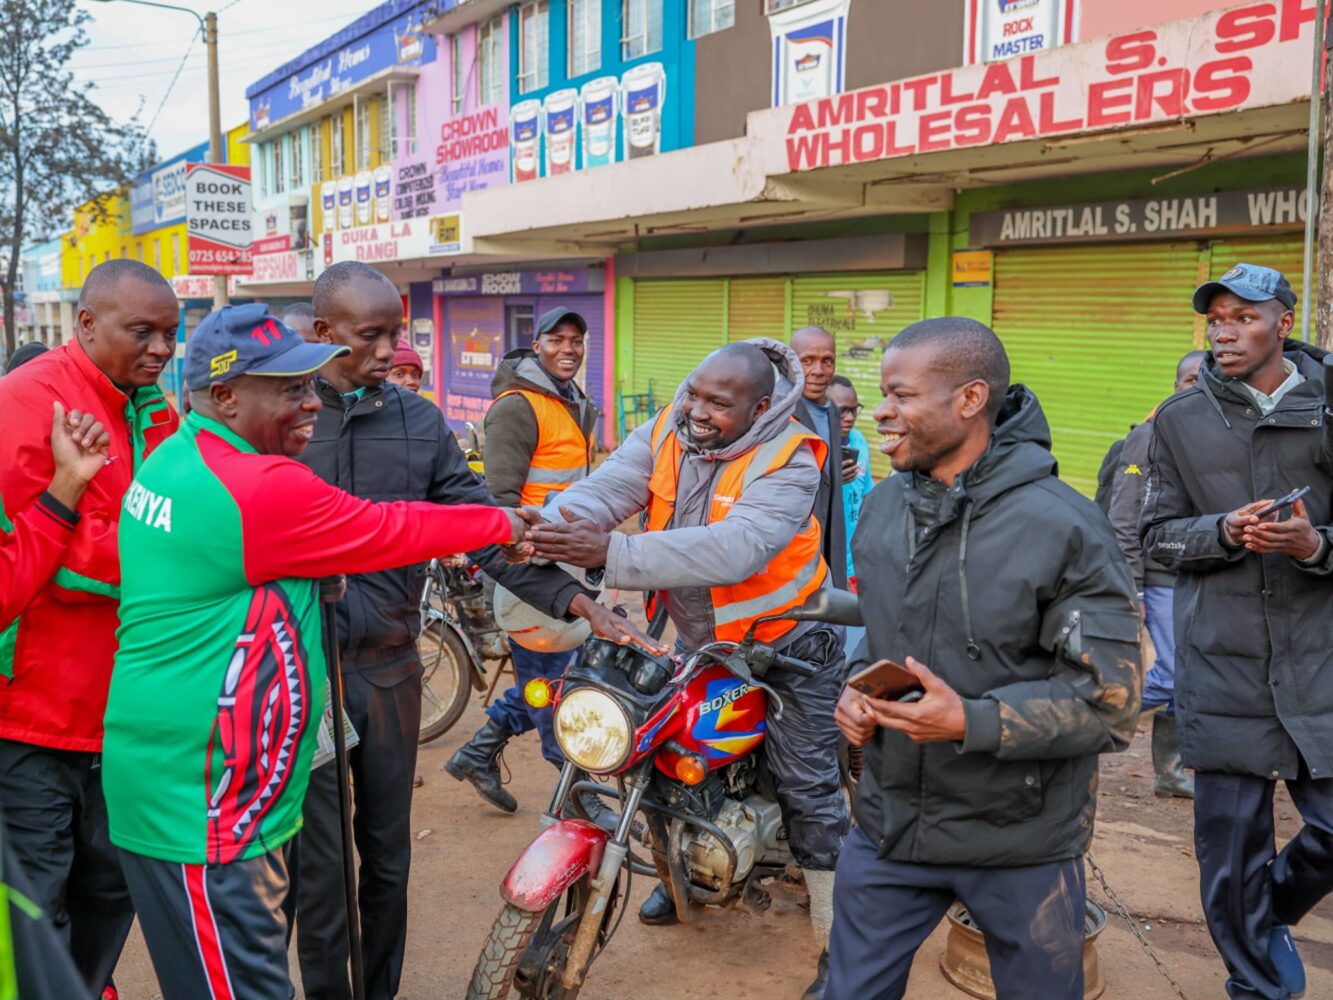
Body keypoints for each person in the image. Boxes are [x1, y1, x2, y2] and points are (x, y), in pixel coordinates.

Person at [99, 303, 528, 1000]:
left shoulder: (179, 453)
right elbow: (391, 528)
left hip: (188, 782)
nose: (311, 402)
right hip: (204, 807)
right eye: (288, 388)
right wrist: (502, 519)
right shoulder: (260, 487)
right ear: (227, 396)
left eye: (308, 384)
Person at [295, 262, 645, 1000]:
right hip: (302, 678)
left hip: (389, 669)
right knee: (319, 871)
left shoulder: (418, 422)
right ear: (324, 334)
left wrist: (574, 601)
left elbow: (483, 528)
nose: (391, 348)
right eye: (373, 334)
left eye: (397, 331)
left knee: (387, 858)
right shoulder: (285, 417)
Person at [523, 339, 849, 998]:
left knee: (808, 788)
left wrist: (610, 552)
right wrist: (542, 528)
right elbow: (610, 486)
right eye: (693, 392)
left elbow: (736, 548)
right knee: (652, 752)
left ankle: (839, 946)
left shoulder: (790, 458)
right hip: (697, 638)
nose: (695, 410)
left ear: (760, 408)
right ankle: (677, 883)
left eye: (717, 403)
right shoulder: (669, 424)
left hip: (787, 644)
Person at [830, 317, 1141, 1000]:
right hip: (889, 828)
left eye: (901, 395)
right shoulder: (881, 508)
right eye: (883, 393)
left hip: (1019, 841)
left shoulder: (1064, 525)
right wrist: (856, 693)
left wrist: (971, 720)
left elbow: (1109, 702)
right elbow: (882, 637)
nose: (879, 411)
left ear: (969, 400)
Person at [1142, 263, 1333, 1000]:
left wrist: (1314, 547)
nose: (1223, 332)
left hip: (1317, 656)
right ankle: (1255, 985)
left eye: (1242, 317)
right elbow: (1154, 536)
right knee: (1228, 850)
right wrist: (1221, 530)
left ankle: (1268, 913)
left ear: (1283, 321)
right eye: (1215, 319)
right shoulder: (1180, 420)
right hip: (1220, 658)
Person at [0, 259, 180, 994]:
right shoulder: (26, 399)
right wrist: (118, 535)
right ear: (85, 324)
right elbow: (40, 560)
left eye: (171, 333)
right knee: (36, 912)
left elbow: (178, 530)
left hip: (125, 718)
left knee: (113, 893)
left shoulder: (158, 409)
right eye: (143, 331)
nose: (162, 348)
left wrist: (103, 532)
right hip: (31, 722)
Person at [447, 306, 603, 820]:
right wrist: (527, 552)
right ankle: (575, 799)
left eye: (576, 340)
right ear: (536, 346)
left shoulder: (576, 403)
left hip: (570, 568)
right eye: (556, 339)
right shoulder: (517, 407)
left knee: (552, 679)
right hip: (529, 573)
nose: (568, 348)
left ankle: (479, 751)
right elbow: (498, 503)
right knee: (559, 689)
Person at [1107, 349, 1205, 800]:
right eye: (1190, 379)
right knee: (1166, 676)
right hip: (1158, 579)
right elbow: (1123, 522)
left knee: (1189, 676)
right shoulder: (1148, 438)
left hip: (1198, 576)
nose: (1198, 385)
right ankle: (1077, 726)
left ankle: (1172, 771)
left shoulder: (1211, 435)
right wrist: (1134, 590)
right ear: (1176, 384)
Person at [791, 325, 848, 587]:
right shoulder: (779, 413)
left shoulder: (832, 411)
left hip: (827, 534)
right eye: (807, 361)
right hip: (792, 540)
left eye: (827, 361)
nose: (818, 371)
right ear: (792, 363)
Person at [828, 375, 874, 592]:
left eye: (854, 410)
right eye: (842, 410)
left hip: (856, 561)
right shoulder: (815, 445)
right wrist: (832, 480)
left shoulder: (858, 440)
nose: (850, 417)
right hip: (826, 563)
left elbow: (867, 495)